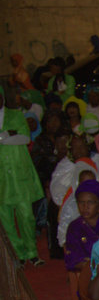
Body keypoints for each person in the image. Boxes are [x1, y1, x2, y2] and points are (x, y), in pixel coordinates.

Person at [0, 86, 45, 264]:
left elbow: (25, 138)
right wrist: (6, 135)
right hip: (2, 178)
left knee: (26, 215)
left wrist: (4, 138)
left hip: (19, 174)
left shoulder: (16, 115)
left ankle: (32, 252)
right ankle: (17, 254)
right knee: (5, 218)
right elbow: (14, 137)